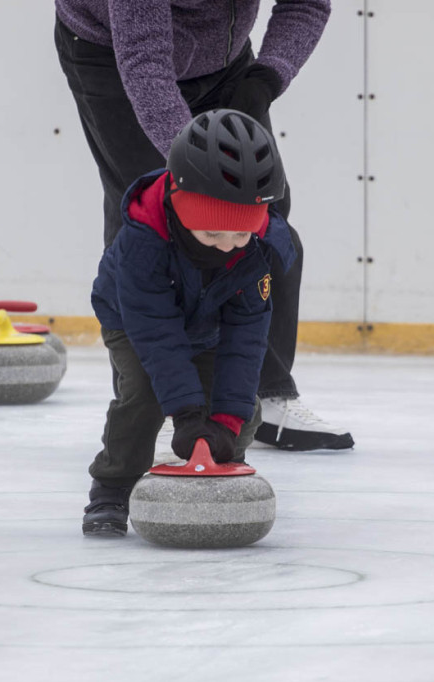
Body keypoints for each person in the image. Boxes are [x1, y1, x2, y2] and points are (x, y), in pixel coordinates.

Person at [55, 0, 354, 451]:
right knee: (149, 214)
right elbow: (145, 61)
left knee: (259, 214)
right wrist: (195, 167)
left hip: (228, 63)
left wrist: (267, 75)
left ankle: (265, 394)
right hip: (114, 56)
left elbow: (307, 4)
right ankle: (149, 403)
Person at [83, 109, 295, 536]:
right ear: (182, 207)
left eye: (240, 233)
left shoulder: (257, 250)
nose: (227, 247)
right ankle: (112, 487)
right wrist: (185, 414)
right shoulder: (143, 242)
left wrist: (224, 425)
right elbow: (156, 334)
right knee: (144, 395)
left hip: (209, 320)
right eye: (212, 233)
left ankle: (223, 466)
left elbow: (246, 341)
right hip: (133, 321)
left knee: (241, 408)